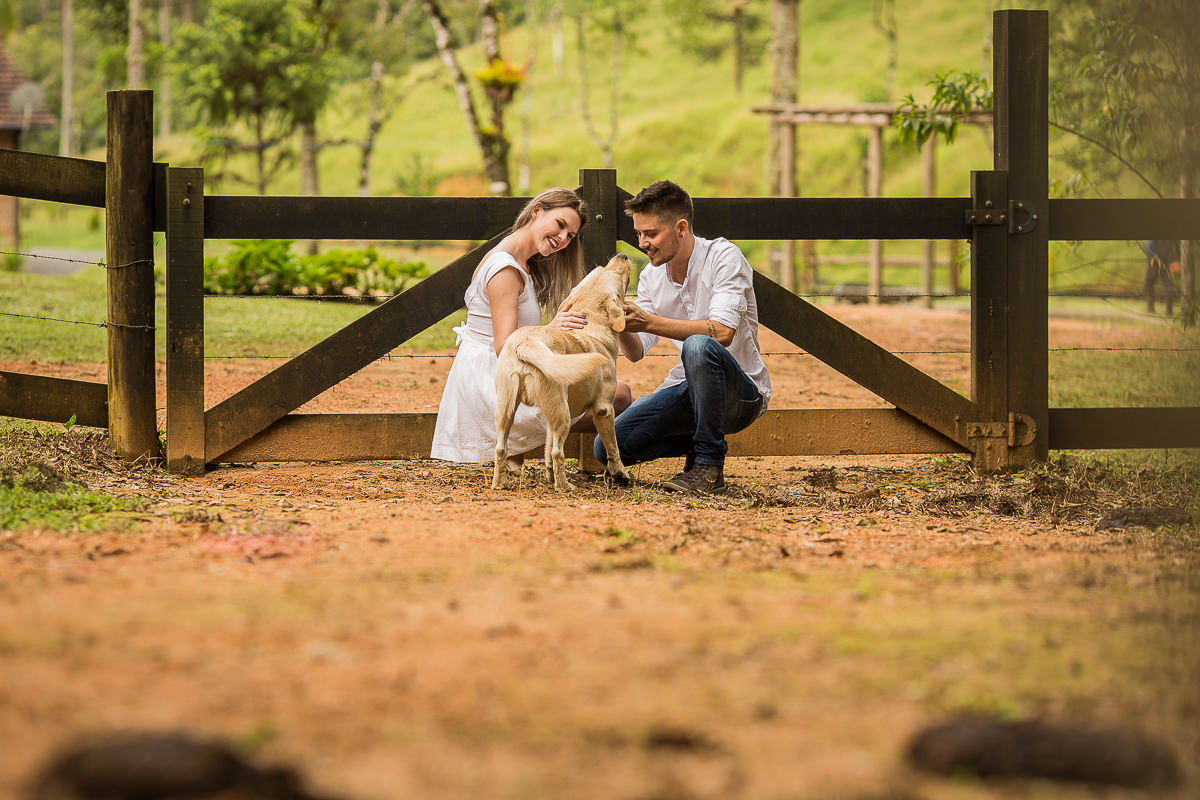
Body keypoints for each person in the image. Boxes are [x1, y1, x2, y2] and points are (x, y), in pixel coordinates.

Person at [431, 187, 633, 469]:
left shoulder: (520, 262)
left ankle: (514, 453)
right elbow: (505, 346)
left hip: (504, 365)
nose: (563, 239)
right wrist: (550, 329)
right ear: (537, 211)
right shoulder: (505, 270)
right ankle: (513, 445)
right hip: (494, 377)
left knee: (609, 391)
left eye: (570, 236)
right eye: (560, 225)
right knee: (619, 394)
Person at [594, 180, 771, 493]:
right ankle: (698, 442)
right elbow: (636, 351)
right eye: (638, 234)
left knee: (699, 345)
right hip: (686, 392)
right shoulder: (651, 276)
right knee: (605, 448)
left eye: (651, 234)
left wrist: (649, 321)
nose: (643, 243)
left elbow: (723, 332)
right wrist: (616, 318)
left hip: (741, 394)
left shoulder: (724, 257)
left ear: (680, 227)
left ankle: (708, 467)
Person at [1144, 239, 1180, 315]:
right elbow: (1178, 245)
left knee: (1148, 283)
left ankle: (1152, 307)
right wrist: (1176, 260)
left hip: (1157, 261)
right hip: (1166, 261)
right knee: (1168, 285)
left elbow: (1149, 244)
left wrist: (1149, 259)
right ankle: (1168, 310)